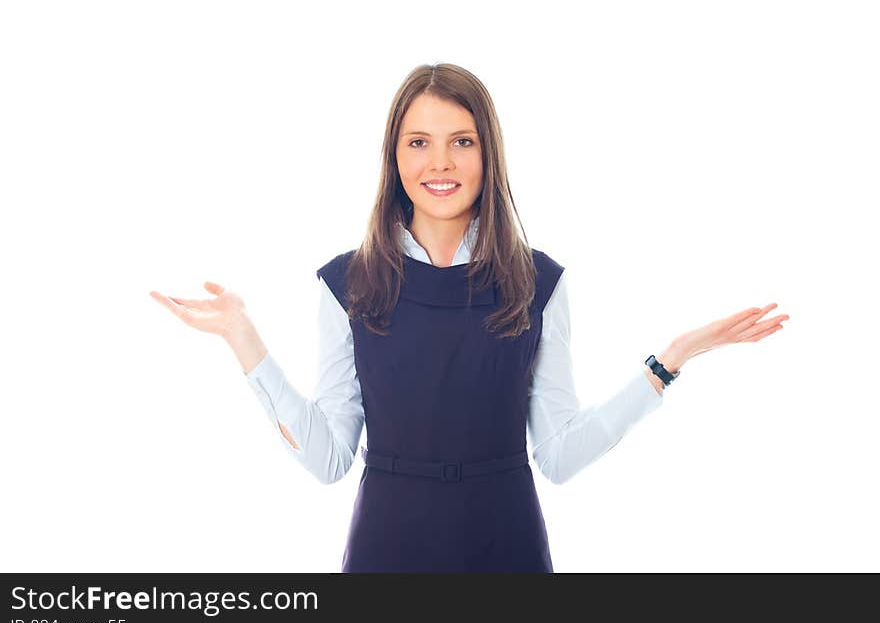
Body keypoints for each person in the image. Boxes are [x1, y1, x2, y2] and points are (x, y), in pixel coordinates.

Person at [150, 63, 789, 572]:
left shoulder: (537, 282)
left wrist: (667, 361)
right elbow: (328, 458)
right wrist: (244, 340)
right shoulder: (349, 283)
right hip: (386, 551)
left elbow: (561, 456)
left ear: (488, 154)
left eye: (462, 142)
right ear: (394, 157)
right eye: (419, 143)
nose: (441, 163)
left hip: (505, 546)